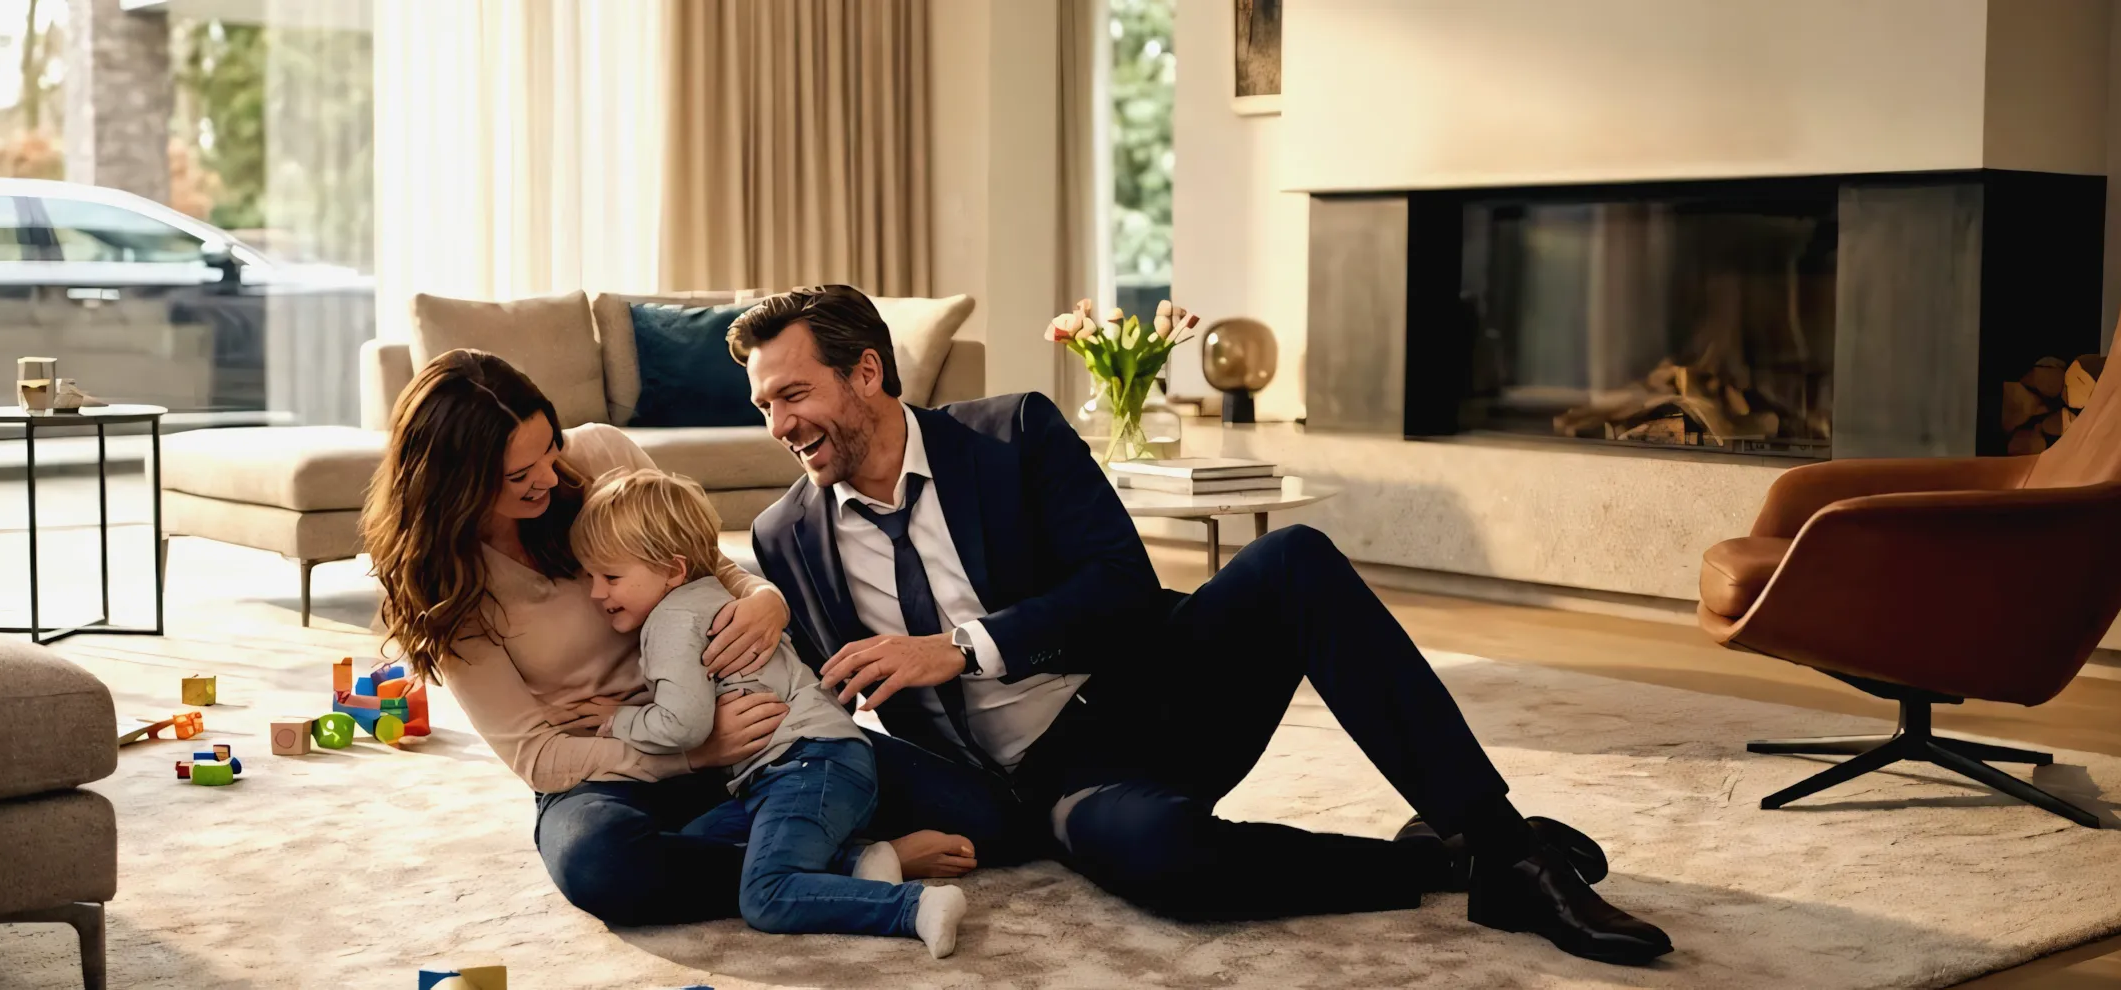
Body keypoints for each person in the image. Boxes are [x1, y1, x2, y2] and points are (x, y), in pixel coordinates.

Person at [734, 285, 1675, 965]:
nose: (778, 424)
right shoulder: (786, 536)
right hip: (1034, 783)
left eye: (792, 394)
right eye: (763, 405)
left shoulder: (1011, 434)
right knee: (1163, 863)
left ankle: (1504, 842)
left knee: (1294, 559)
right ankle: (1443, 864)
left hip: (1143, 698)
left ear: (867, 372)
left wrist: (965, 647)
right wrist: (755, 596)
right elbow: (788, 674)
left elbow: (1122, 587)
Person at [360, 348, 983, 928]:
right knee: (602, 866)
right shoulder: (442, 587)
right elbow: (540, 759)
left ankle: (793, 853)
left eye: (549, 448)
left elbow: (708, 565)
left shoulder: (600, 456)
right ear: (455, 485)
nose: (550, 477)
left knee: (985, 816)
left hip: (756, 735)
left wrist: (767, 602)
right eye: (519, 473)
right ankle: (852, 865)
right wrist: (691, 751)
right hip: (615, 769)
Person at [572, 468, 970, 957]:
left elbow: (684, 723)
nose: (595, 592)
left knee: (765, 896)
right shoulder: (712, 597)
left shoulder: (672, 619)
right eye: (590, 576)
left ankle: (914, 907)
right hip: (792, 770)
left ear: (673, 570)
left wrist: (619, 720)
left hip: (806, 765)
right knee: (692, 847)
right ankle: (862, 862)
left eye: (610, 577)